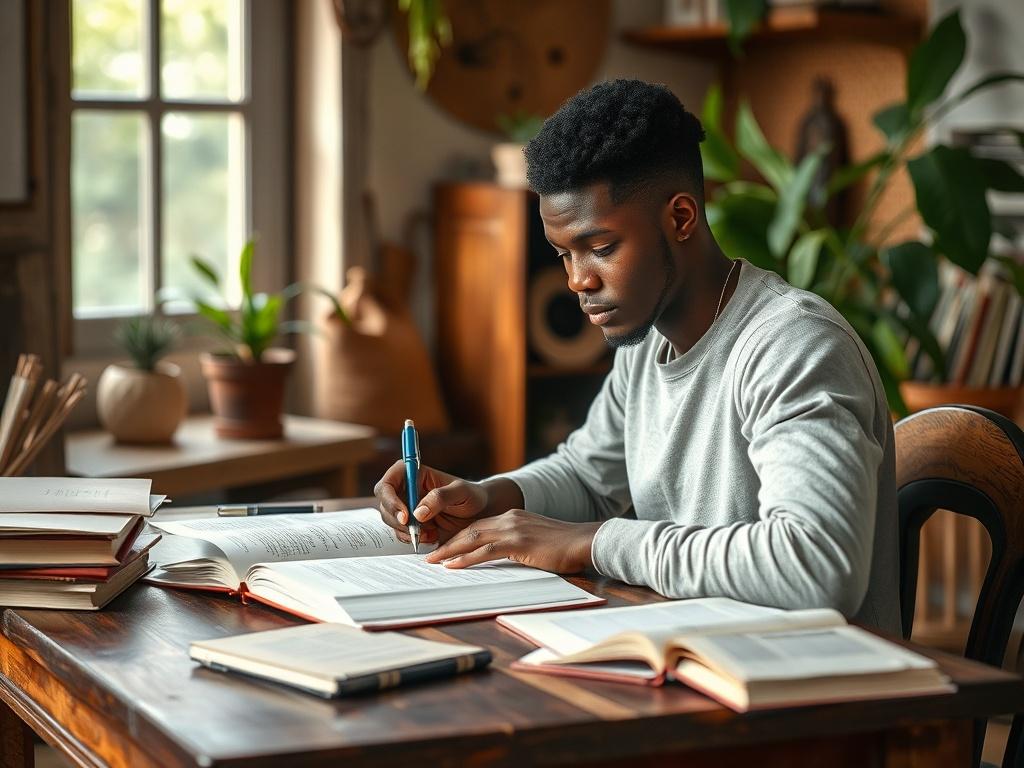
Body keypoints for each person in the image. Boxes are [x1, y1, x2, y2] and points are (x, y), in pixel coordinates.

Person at [376, 79, 899, 632]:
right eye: (563, 255)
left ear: (680, 218)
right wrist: (485, 499)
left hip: (818, 699)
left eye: (600, 248)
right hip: (692, 658)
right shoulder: (647, 339)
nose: (578, 280)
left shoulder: (795, 345)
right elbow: (589, 477)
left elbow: (815, 566)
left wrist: (591, 543)